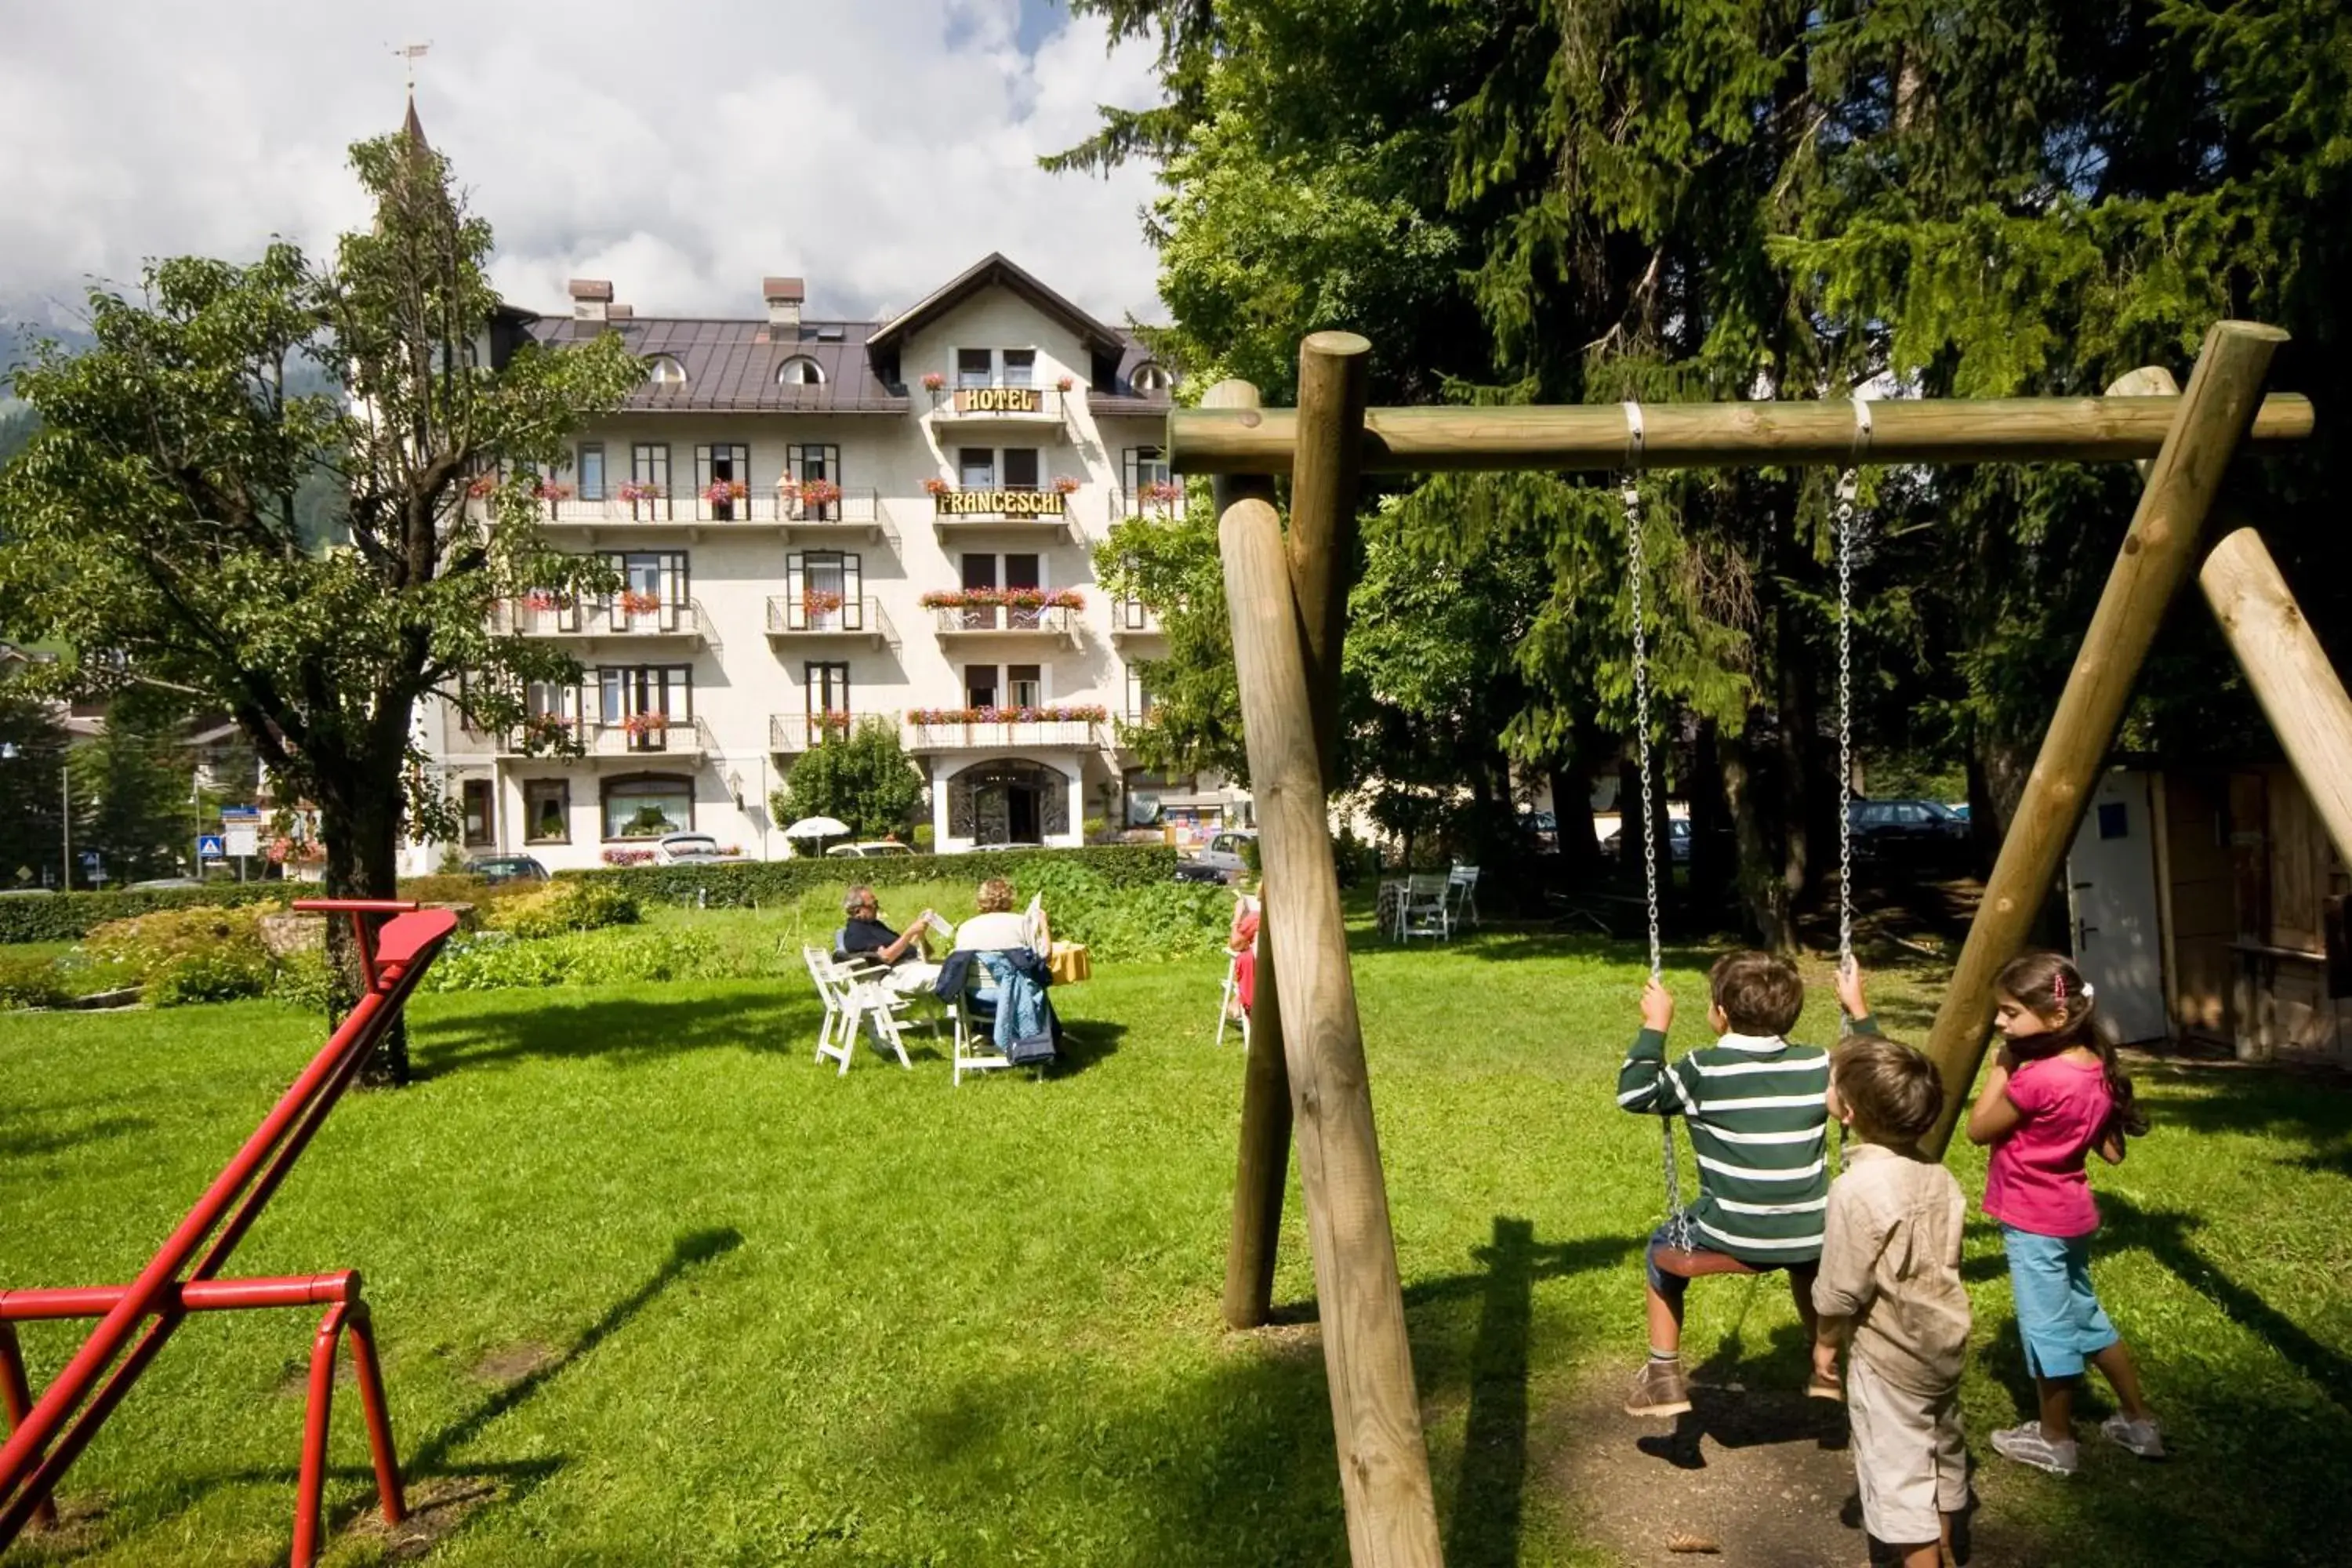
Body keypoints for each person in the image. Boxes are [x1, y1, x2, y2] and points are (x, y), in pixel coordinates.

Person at [1617, 949, 1851, 1417]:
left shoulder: (1702, 1069)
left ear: (1720, 1014)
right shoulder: (1818, 1064)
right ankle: (1827, 1366)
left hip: (1733, 1232)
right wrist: (1860, 1013)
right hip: (1815, 1233)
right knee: (1805, 1262)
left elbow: (1635, 1093)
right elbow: (1881, 1077)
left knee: (1662, 1250)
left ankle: (1663, 1376)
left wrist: (1656, 1025)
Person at [1967, 949, 2161, 1475]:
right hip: (2073, 1217)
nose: (2001, 1022)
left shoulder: (2035, 1079)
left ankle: (2056, 1440)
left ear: (2055, 1017)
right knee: (2086, 1317)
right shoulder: (2095, 1070)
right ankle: (2138, 1422)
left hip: (2034, 1223)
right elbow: (2113, 1152)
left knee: (2048, 1331)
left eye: (2010, 1013)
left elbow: (1979, 1128)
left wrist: (2001, 1070)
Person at [1813, 964, 1971, 1568]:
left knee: (1899, 1475)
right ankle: (1951, 1545)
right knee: (1944, 1450)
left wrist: (1826, 1344)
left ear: (1848, 1112)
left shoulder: (1857, 1191)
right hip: (1944, 1342)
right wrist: (1859, 1010)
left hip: (1889, 1357)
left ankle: (1924, 1557)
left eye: (1832, 1084)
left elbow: (1841, 1288)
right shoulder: (1935, 1173)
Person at [836, 885, 935, 970]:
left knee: (950, 966)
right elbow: (886, 957)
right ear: (858, 911)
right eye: (873, 905)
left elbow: (927, 952)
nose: (877, 908)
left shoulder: (875, 925)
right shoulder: (856, 933)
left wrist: (920, 933)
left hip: (913, 965)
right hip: (897, 972)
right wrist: (909, 933)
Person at [953, 877, 1045, 955]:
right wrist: (1044, 925)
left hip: (976, 977)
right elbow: (1044, 955)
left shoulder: (965, 928)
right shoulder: (1022, 923)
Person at [1227, 879, 1262, 1019]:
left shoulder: (1257, 919)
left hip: (1258, 989)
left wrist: (1237, 917)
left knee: (1246, 957)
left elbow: (1235, 944)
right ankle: (1238, 999)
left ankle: (1239, 999)